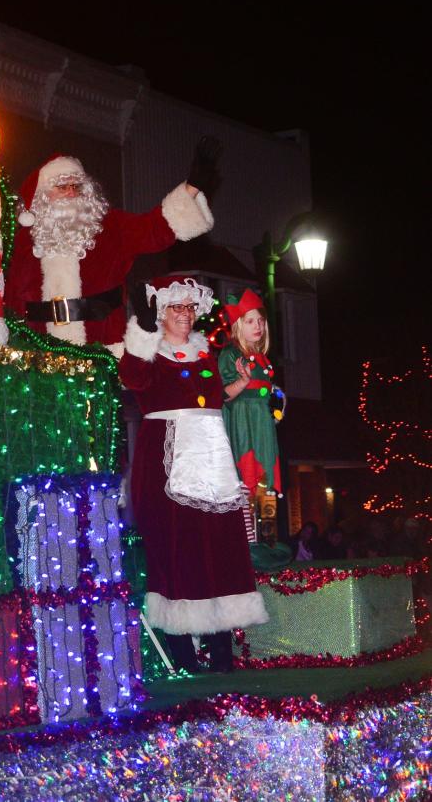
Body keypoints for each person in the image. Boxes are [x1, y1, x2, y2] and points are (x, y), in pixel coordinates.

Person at [121, 274, 267, 673]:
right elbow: (132, 379)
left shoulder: (205, 353)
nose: (185, 315)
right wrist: (143, 331)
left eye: (189, 307)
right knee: (178, 547)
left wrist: (238, 384)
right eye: (176, 307)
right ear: (161, 312)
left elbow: (211, 398)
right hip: (167, 462)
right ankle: (183, 653)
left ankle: (221, 650)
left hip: (212, 457)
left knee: (218, 545)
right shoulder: (149, 352)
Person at [3, 139, 220, 356]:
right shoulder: (24, 241)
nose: (70, 193)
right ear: (42, 195)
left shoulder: (111, 226)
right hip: (40, 354)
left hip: (101, 352)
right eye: (62, 187)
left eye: (76, 187)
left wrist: (192, 187)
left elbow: (155, 227)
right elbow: (11, 299)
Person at [219, 290, 282, 503]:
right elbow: (222, 394)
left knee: (265, 484)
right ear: (238, 324)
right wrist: (242, 382)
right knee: (245, 482)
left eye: (261, 321)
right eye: (250, 321)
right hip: (243, 422)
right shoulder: (231, 354)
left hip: (262, 423)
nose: (258, 326)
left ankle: (261, 529)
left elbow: (267, 390)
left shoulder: (262, 358)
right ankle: (246, 530)